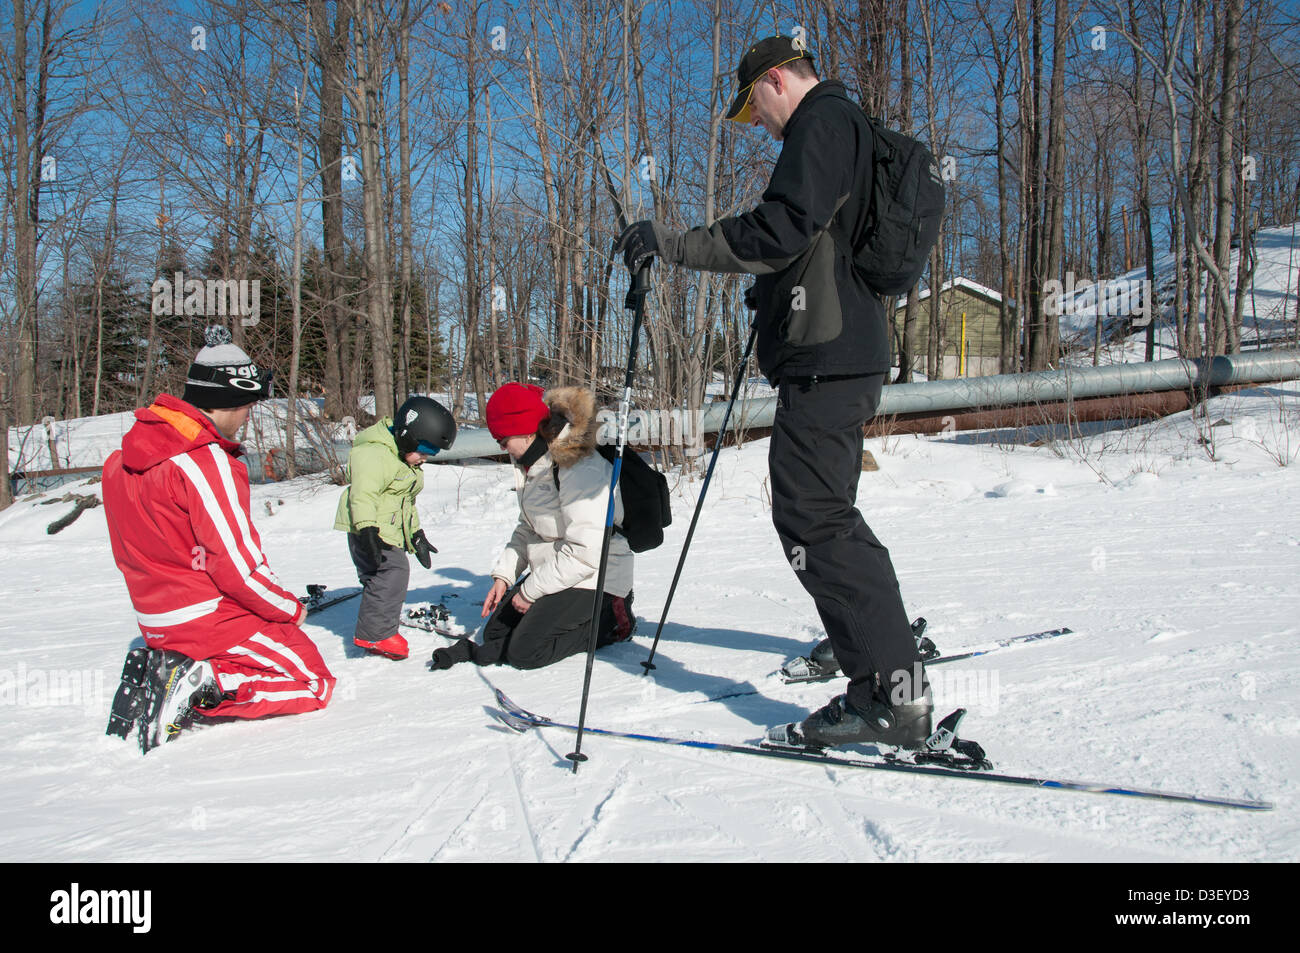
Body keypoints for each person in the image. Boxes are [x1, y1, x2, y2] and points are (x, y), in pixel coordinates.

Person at [614, 35, 930, 749]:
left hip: (831, 358)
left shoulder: (823, 122)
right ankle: (887, 684)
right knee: (823, 519)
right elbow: (810, 243)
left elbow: (780, 229)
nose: (756, 120)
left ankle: (892, 692)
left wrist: (673, 244)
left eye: (753, 105)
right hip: (834, 353)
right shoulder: (845, 126)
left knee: (818, 522)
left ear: (777, 79)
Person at [103, 326, 335, 753]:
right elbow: (234, 565)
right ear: (232, 397)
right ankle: (203, 684)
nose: (249, 413)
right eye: (248, 403)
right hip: (206, 616)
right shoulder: (203, 460)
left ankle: (169, 667)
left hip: (154, 616)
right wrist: (289, 609)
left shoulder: (121, 459)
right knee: (313, 679)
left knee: (277, 646)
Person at [430, 383, 635, 672]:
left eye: (502, 438)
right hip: (560, 570)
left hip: (598, 576)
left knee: (526, 652)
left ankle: (614, 620)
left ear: (525, 430)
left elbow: (586, 553)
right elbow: (528, 529)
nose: (500, 446)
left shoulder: (579, 467)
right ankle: (522, 630)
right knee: (495, 633)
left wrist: (530, 591)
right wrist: (504, 575)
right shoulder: (533, 463)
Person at [334, 396, 456, 660]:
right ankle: (375, 633)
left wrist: (416, 535)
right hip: (370, 530)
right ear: (406, 435)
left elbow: (405, 504)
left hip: (384, 529)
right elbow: (362, 495)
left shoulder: (402, 460)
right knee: (393, 572)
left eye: (430, 454)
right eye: (423, 449)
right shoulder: (374, 454)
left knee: (379, 576)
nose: (425, 458)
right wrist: (367, 529)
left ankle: (375, 625)